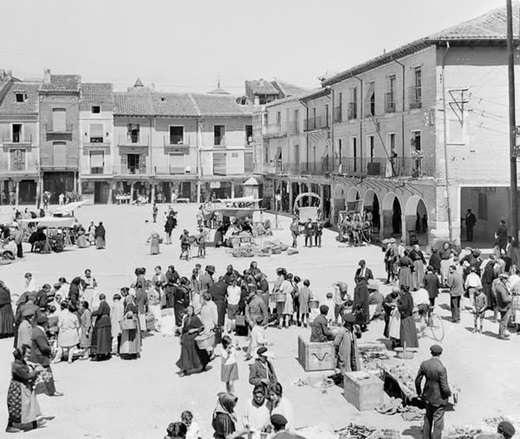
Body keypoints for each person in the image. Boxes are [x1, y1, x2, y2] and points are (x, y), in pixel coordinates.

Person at [415, 344, 452, 439]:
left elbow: (418, 380)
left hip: (427, 396)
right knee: (438, 423)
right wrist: (449, 394)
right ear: (440, 354)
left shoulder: (424, 364)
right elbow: (444, 387)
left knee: (428, 418)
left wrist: (419, 392)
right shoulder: (441, 368)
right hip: (439, 399)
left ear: (431, 352)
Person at [6, 346, 44, 433]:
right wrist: (36, 371)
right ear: (21, 356)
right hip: (18, 388)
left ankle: (33, 422)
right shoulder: (16, 367)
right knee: (18, 407)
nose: (28, 355)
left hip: (23, 386)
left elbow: (25, 362)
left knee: (31, 403)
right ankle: (10, 426)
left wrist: (31, 364)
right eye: (26, 354)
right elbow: (27, 376)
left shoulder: (19, 362)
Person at [31, 315, 63, 397]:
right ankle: (51, 391)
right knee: (48, 374)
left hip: (35, 356)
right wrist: (52, 349)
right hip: (40, 357)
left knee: (34, 374)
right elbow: (43, 347)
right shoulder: (39, 333)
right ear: (45, 323)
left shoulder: (36, 330)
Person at [177, 305, 208, 376]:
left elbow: (202, 327)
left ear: (193, 311)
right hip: (186, 337)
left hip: (194, 337)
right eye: (188, 311)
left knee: (198, 351)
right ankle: (184, 369)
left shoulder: (196, 318)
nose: (189, 312)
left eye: (190, 311)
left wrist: (195, 330)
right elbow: (183, 328)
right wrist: (180, 336)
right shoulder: (185, 318)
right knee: (184, 353)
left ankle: (204, 363)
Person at [120, 295, 142, 360]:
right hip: (136, 323)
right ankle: (134, 353)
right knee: (135, 338)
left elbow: (130, 314)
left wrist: (125, 316)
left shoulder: (129, 306)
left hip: (131, 324)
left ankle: (131, 353)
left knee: (130, 339)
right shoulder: (134, 305)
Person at [90, 293, 112, 360]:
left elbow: (99, 312)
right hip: (107, 321)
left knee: (101, 339)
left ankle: (100, 353)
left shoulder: (102, 304)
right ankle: (106, 352)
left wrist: (93, 313)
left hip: (102, 322)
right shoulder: (107, 304)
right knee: (106, 339)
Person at [495, 273, 512, 340]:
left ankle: (502, 333)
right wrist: (510, 298)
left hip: (501, 305)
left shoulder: (499, 285)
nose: (506, 280)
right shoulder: (501, 288)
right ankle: (502, 335)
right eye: (505, 279)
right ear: (502, 279)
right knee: (504, 320)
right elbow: (505, 299)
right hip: (504, 306)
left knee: (503, 319)